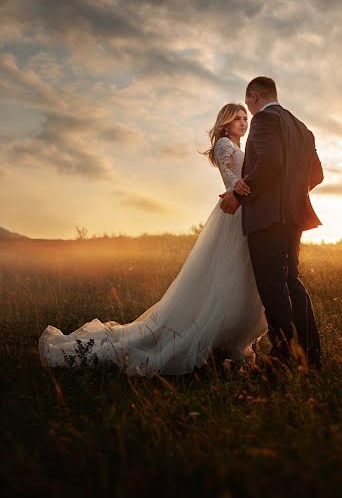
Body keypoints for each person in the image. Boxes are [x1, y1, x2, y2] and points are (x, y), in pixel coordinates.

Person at [39, 104, 268, 377]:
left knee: (240, 280)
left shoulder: (238, 146)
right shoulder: (223, 145)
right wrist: (246, 188)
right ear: (225, 123)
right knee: (224, 280)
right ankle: (208, 338)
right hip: (234, 212)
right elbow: (232, 181)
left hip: (245, 212)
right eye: (237, 119)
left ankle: (230, 343)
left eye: (245, 118)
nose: (243, 122)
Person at [220, 77, 324, 370]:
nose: (249, 115)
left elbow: (269, 162)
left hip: (267, 219)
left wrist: (239, 195)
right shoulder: (302, 128)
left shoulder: (265, 120)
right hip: (293, 219)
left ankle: (282, 358)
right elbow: (316, 175)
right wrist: (290, 196)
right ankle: (311, 355)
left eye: (248, 107)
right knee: (293, 283)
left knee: (273, 287)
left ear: (253, 97)